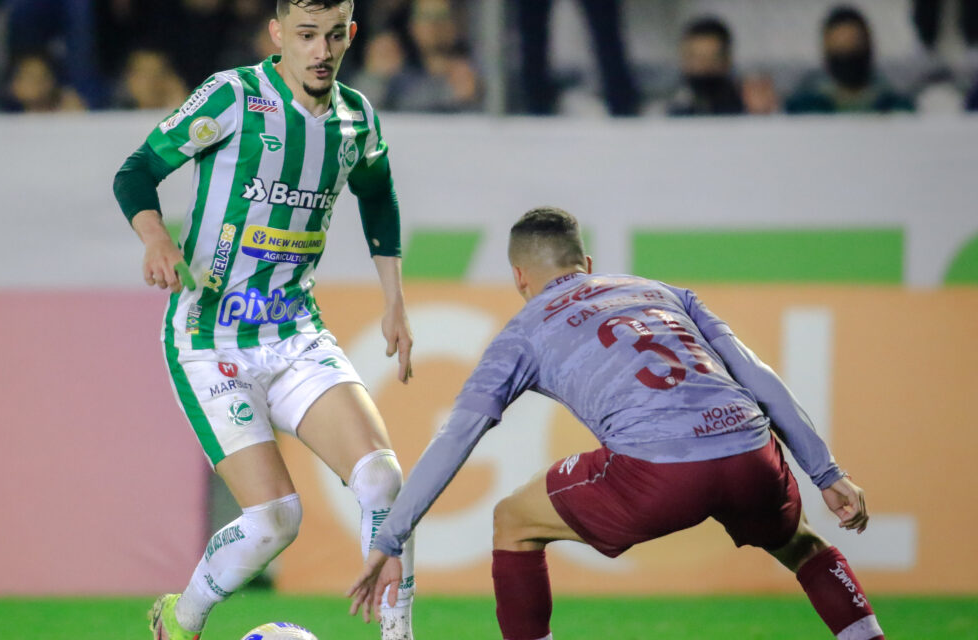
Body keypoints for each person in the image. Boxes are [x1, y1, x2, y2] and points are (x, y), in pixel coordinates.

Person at [348, 208, 884, 640]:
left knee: (514, 520)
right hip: (749, 450)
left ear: (518, 277)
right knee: (803, 547)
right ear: (586, 260)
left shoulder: (522, 331)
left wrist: (391, 538)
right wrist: (826, 472)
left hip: (660, 473)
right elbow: (759, 376)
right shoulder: (661, 292)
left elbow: (455, 438)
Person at [112, 1, 417, 639]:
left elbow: (378, 191)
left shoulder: (355, 116)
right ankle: (182, 617)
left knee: (385, 480)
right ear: (278, 34)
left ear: (350, 35)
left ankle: (398, 637)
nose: (321, 50)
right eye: (306, 35)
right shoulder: (234, 97)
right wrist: (155, 238)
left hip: (296, 333)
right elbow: (137, 171)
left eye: (334, 36)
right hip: (209, 337)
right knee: (276, 518)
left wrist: (394, 299)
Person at [786, 6, 913, 114]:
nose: (847, 53)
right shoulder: (805, 106)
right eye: (839, 48)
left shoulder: (892, 103)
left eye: (854, 45)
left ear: (868, 46)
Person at [668, 17, 745, 117]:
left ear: (727, 61)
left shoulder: (746, 105)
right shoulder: (666, 106)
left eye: (711, 59)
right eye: (696, 58)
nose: (703, 67)